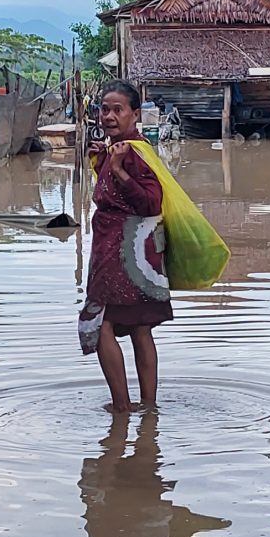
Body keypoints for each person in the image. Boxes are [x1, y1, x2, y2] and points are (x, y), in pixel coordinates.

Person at [85, 79, 171, 411]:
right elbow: (114, 195)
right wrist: (103, 162)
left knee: (100, 324)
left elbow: (150, 203)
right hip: (131, 252)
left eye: (117, 110)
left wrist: (118, 168)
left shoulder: (133, 153)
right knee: (139, 326)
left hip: (124, 252)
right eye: (104, 109)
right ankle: (148, 411)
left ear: (135, 114)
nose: (108, 116)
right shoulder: (118, 149)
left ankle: (121, 409)